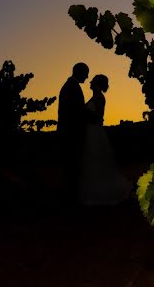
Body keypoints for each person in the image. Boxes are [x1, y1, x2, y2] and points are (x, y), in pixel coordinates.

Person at [78, 74, 131, 206]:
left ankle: (102, 192)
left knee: (97, 159)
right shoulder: (94, 97)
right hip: (90, 131)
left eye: (93, 81)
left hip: (95, 132)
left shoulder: (100, 98)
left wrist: (85, 114)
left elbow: (99, 117)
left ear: (97, 84)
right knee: (91, 160)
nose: (90, 82)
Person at [57, 62, 89, 205]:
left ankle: (72, 197)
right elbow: (74, 113)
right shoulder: (72, 87)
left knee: (72, 167)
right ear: (80, 72)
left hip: (69, 133)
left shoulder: (70, 86)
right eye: (86, 73)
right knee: (72, 167)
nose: (87, 77)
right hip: (71, 133)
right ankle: (72, 199)